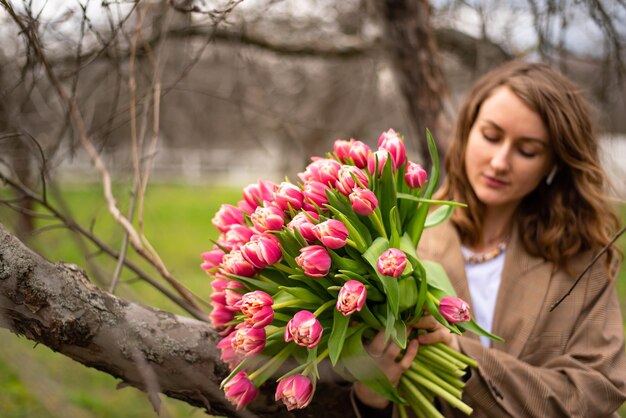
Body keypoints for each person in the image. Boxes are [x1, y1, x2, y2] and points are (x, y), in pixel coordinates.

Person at [352, 61, 626, 417]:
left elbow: (599, 389)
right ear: (467, 132)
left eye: (527, 150)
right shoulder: (399, 245)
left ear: (553, 163)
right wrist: (371, 396)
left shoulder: (578, 259)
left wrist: (464, 355)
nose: (499, 162)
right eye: (491, 136)